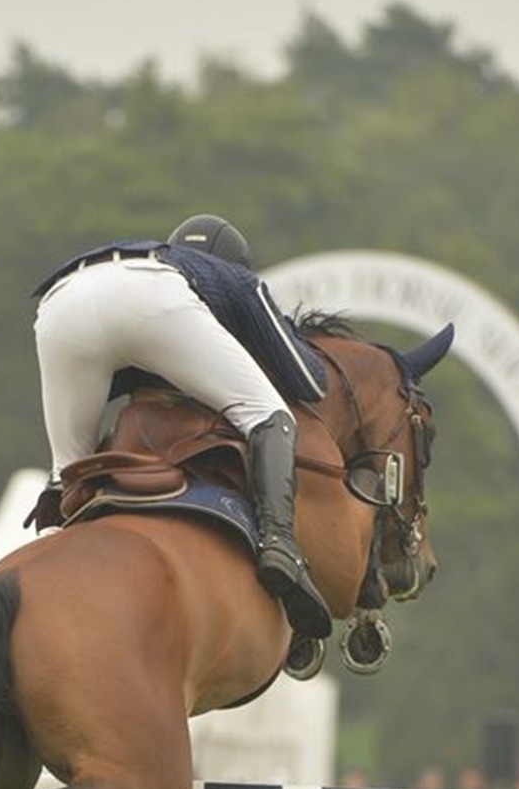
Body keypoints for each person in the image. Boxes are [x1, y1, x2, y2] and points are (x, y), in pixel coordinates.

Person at [29, 214, 331, 639]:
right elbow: (309, 381)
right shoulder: (235, 278)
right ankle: (280, 546)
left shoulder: (162, 259)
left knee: (67, 472)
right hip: (152, 297)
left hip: (59, 302)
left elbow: (125, 371)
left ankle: (44, 571)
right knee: (269, 415)